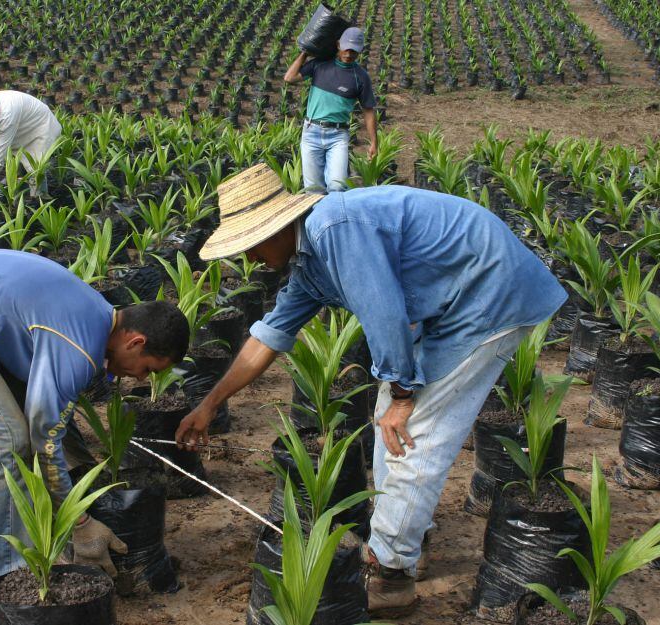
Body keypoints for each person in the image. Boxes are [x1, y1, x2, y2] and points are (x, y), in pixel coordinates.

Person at [175, 164, 566, 617]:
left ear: (278, 226)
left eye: (251, 246)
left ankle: (393, 573)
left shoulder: (334, 228)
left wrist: (404, 397)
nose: (250, 260)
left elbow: (383, 313)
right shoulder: (309, 264)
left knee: (416, 429)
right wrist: (209, 404)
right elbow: (268, 337)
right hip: (454, 299)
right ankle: (404, 536)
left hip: (490, 291)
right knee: (389, 420)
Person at [0, 249, 190, 623]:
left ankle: (39, 542)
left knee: (37, 430)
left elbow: (56, 426)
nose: (141, 379)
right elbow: (44, 438)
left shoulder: (96, 317)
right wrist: (81, 526)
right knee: (5, 441)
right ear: (135, 343)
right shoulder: (78, 348)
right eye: (148, 368)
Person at [283, 27, 378, 194]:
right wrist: (305, 52)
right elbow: (289, 78)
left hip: (338, 135)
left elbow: (368, 111)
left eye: (354, 51)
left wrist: (373, 142)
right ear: (338, 45)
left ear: (360, 51)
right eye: (346, 48)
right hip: (312, 131)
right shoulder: (320, 64)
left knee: (338, 185)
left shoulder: (360, 76)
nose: (349, 54)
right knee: (313, 189)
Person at [0, 90, 62, 195]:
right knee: (17, 166)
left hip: (41, 127)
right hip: (22, 128)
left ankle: (39, 200)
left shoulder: (6, 114)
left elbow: (0, 151)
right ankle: (20, 197)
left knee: (35, 169)